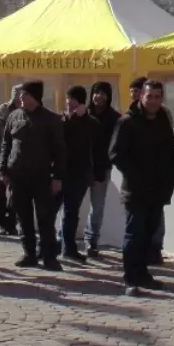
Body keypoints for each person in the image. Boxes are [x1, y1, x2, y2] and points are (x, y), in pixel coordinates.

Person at [111, 80, 174, 296]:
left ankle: (142, 273)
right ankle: (131, 278)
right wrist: (136, 176)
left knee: (149, 234)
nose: (153, 101)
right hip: (136, 190)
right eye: (149, 96)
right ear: (141, 97)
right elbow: (115, 154)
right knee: (134, 234)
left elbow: (171, 151)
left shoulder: (163, 122)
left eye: (157, 96)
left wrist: (173, 174)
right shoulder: (127, 122)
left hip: (158, 191)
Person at [0, 80, 66, 271]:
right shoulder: (14, 116)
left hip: (42, 177)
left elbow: (60, 151)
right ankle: (29, 253)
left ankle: (49, 256)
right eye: (21, 94)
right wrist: (2, 169)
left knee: (45, 218)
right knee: (23, 217)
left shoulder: (51, 120)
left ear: (35, 97)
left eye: (25, 94)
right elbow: (6, 144)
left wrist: (58, 177)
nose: (21, 97)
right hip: (17, 176)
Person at [58, 85, 101, 262]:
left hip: (79, 174)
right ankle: (47, 247)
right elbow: (62, 135)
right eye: (68, 101)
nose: (69, 104)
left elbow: (97, 148)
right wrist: (73, 117)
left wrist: (97, 175)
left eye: (73, 102)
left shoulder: (91, 123)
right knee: (50, 211)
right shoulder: (61, 120)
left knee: (71, 212)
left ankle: (68, 248)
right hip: (58, 172)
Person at [85, 80, 121, 257]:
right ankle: (63, 238)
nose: (98, 97)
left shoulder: (115, 118)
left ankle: (91, 240)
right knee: (70, 206)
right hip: (79, 167)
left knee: (97, 206)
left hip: (101, 169)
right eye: (96, 92)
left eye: (103, 93)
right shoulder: (83, 114)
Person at [0, 84, 24, 235]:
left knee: (16, 191)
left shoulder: (27, 109)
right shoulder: (3, 109)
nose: (18, 100)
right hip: (1, 155)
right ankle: (1, 222)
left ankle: (11, 222)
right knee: (0, 190)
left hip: (19, 156)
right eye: (16, 97)